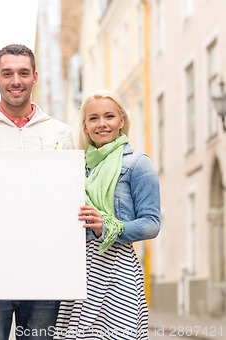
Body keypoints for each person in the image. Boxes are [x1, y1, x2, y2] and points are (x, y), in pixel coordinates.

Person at [0, 44, 74, 340]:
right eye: (7, 73)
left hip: (44, 270)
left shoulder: (60, 133)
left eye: (23, 73)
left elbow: (68, 200)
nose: (15, 81)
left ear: (35, 77)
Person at [54, 90, 160, 339]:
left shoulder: (137, 163)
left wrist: (109, 226)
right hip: (80, 273)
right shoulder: (75, 166)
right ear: (85, 126)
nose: (102, 124)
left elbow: (152, 223)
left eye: (109, 116)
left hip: (118, 272)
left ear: (121, 120)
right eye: (94, 118)